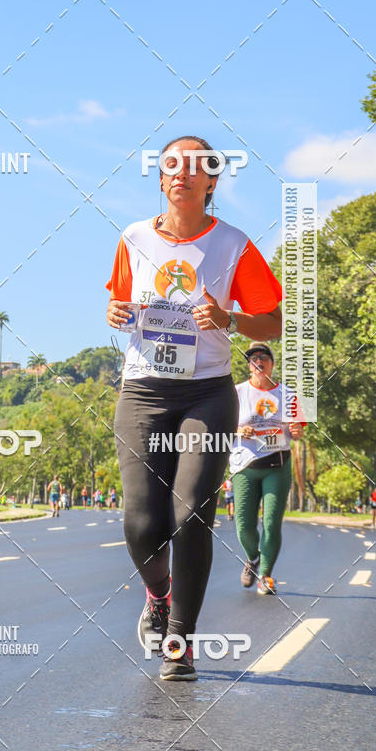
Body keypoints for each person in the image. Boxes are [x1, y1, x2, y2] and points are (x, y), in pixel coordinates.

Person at [106, 135, 283, 680]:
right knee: (141, 523)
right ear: (160, 180)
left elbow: (273, 323)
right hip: (142, 392)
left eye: (196, 166)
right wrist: (114, 313)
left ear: (211, 182)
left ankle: (180, 643)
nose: (182, 172)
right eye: (171, 165)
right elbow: (118, 300)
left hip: (206, 393)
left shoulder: (234, 245)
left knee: (190, 517)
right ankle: (158, 596)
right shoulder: (133, 238)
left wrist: (230, 321)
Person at [230, 344, 305, 595]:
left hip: (277, 464)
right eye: (253, 359)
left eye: (263, 357)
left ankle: (265, 575)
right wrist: (239, 430)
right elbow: (220, 426)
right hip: (244, 466)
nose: (258, 362)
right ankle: (253, 558)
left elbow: (298, 430)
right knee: (244, 526)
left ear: (272, 363)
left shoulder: (289, 394)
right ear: (248, 365)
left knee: (272, 523)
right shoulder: (236, 393)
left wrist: (296, 431)